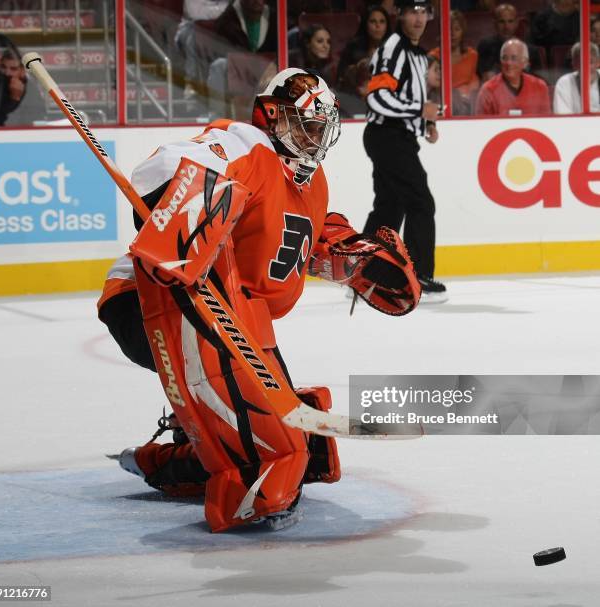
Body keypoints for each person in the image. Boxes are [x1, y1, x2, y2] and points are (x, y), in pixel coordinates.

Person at [98, 68, 421, 533]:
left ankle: (166, 462)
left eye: (320, 126)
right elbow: (161, 169)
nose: (313, 136)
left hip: (231, 317)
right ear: (271, 116)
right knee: (267, 462)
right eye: (304, 123)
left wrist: (352, 256)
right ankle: (216, 464)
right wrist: (189, 198)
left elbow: (304, 243)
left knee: (302, 447)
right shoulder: (244, 143)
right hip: (154, 296)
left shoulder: (313, 184)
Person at [363, 0, 447, 302]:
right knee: (421, 202)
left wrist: (426, 124)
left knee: (389, 206)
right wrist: (418, 110)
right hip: (387, 136)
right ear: (400, 14)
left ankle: (366, 271)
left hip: (396, 137)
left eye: (425, 11)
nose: (419, 17)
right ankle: (418, 277)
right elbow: (377, 97)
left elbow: (408, 102)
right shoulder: (393, 47)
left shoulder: (421, 57)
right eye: (413, 10)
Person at [206, 0, 278, 118]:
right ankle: (216, 118)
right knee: (218, 65)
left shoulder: (275, 17)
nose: (258, 1)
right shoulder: (228, 18)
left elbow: (286, 47)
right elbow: (223, 49)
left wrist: (275, 63)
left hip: (268, 67)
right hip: (238, 67)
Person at [336, 5, 392, 116]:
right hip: (355, 103)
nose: (378, 25)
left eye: (382, 22)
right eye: (373, 21)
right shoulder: (352, 48)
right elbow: (341, 79)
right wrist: (356, 69)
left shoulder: (395, 50)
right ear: (365, 24)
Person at [475, 38, 551, 115]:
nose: (508, 63)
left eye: (514, 58)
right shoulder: (488, 90)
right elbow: (481, 124)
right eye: (504, 58)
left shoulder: (540, 87)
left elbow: (546, 122)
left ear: (525, 62)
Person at [476, 3, 544, 82]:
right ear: (494, 23)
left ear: (516, 23)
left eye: (510, 21)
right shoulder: (485, 46)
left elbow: (538, 80)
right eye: (501, 22)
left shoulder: (531, 50)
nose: (506, 27)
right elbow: (484, 76)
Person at [429, 10, 480, 114]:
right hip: (441, 105)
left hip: (467, 106)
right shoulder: (433, 57)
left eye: (457, 29)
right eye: (448, 29)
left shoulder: (472, 55)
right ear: (441, 30)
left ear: (463, 31)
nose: (452, 34)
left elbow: (476, 84)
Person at [0, 47, 46, 126]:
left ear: (22, 71)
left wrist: (15, 98)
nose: (7, 73)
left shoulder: (31, 90)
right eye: (3, 67)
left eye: (13, 69)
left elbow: (28, 122)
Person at [553, 42, 600, 113]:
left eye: (590, 62)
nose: (586, 67)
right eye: (581, 62)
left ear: (598, 63)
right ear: (573, 64)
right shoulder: (564, 83)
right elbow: (563, 117)